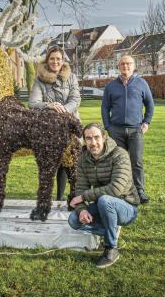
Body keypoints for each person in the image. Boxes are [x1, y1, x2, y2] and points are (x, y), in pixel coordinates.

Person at [68, 123, 139, 268]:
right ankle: (111, 227)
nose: (93, 143)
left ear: (104, 137)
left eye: (96, 137)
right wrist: (81, 209)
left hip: (126, 206)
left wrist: (83, 198)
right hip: (102, 205)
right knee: (74, 221)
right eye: (88, 138)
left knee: (105, 200)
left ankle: (111, 248)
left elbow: (116, 188)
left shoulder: (120, 154)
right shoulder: (83, 160)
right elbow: (80, 188)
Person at [29, 45, 81, 201]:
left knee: (70, 161)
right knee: (53, 161)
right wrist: (49, 105)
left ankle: (68, 196)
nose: (55, 61)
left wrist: (63, 111)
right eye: (52, 58)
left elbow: (76, 99)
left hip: (70, 124)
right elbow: (33, 103)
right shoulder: (39, 79)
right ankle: (52, 197)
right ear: (47, 60)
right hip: (49, 127)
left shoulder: (71, 77)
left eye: (58, 58)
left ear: (63, 60)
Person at [101, 54, 154, 203]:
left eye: (128, 64)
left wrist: (146, 122)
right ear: (118, 67)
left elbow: (150, 104)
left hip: (135, 130)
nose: (126, 66)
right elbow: (105, 107)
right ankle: (120, 191)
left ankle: (139, 191)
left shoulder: (142, 83)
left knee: (136, 162)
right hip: (116, 131)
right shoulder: (110, 86)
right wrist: (108, 127)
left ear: (133, 66)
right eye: (123, 64)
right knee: (119, 162)